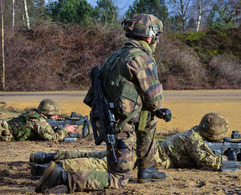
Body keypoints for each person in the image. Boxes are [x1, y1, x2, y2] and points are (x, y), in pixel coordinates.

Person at [34, 13, 166, 193]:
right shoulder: (142, 59)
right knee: (118, 179)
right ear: (150, 36)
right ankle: (62, 177)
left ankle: (146, 168)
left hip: (109, 121)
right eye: (156, 37)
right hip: (119, 127)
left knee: (150, 117)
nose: (157, 42)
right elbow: (155, 101)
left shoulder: (115, 56)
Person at [31, 112, 229, 193]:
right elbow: (208, 162)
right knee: (101, 164)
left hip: (143, 150)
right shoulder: (194, 140)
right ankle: (50, 169)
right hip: (145, 156)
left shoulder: (193, 133)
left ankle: (48, 157)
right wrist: (226, 159)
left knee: (97, 156)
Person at [0, 98, 76, 142]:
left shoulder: (33, 113)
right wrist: (65, 129)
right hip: (3, 132)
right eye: (55, 115)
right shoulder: (39, 122)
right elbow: (52, 138)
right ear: (48, 113)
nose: (56, 117)